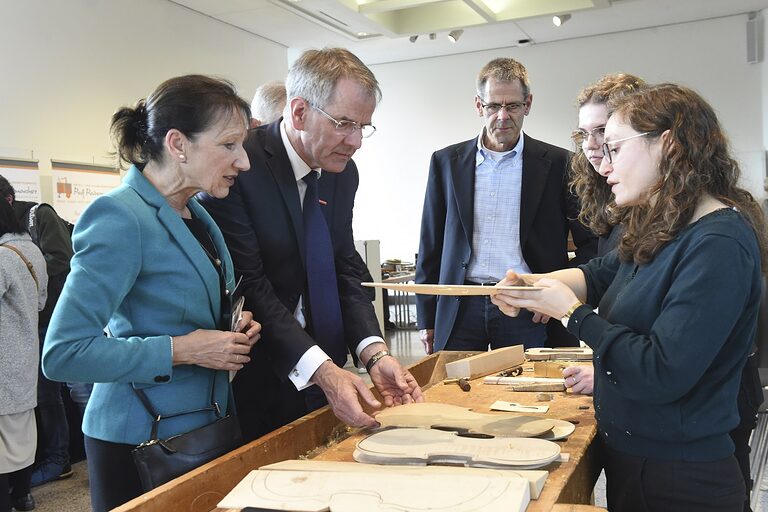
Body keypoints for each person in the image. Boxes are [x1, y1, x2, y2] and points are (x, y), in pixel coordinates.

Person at [491, 83, 767, 511]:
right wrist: (532, 288)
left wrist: (571, 314)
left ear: (669, 145)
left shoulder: (718, 243)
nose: (603, 162)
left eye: (616, 148)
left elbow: (661, 369)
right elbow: (603, 272)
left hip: (680, 477)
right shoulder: (667, 225)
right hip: (638, 460)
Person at [42, 75, 261, 511]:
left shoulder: (196, 214)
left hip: (200, 431)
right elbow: (63, 353)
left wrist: (230, 328)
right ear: (178, 144)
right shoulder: (119, 217)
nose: (244, 162)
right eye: (230, 145)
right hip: (139, 443)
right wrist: (184, 350)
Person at [200, 47, 423, 441]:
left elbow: (343, 264)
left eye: (363, 126)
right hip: (260, 375)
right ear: (299, 111)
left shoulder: (341, 172)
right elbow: (249, 283)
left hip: (326, 368)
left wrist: (375, 353)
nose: (355, 141)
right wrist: (320, 368)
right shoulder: (241, 166)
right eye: (344, 124)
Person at [415, 57, 597, 354]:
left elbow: (592, 243)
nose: (502, 116)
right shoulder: (446, 162)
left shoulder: (561, 164)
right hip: (460, 306)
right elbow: (430, 243)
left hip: (529, 307)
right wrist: (426, 317)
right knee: (455, 394)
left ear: (528, 104)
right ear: (478, 106)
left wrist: (560, 292)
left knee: (532, 396)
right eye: (493, 106)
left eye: (512, 106)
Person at [0, 176, 75, 486]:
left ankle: (60, 459)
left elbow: (63, 259)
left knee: (47, 394)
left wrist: (24, 272)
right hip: (30, 319)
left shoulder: (36, 214)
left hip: (51, 318)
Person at [0, 198, 48, 512]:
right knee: (20, 441)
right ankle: (22, 495)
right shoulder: (31, 251)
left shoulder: (2, 258)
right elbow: (41, 302)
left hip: (4, 364)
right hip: (24, 359)